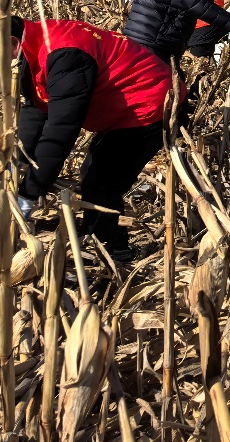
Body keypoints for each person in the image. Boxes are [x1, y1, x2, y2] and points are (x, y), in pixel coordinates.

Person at [12, 16, 182, 260]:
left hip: (150, 104)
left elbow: (61, 129)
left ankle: (112, 253)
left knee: (102, 183)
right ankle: (98, 238)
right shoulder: (36, 43)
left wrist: (28, 194)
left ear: (12, 42)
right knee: (94, 175)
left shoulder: (64, 55)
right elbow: (37, 106)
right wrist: (17, 157)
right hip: (128, 104)